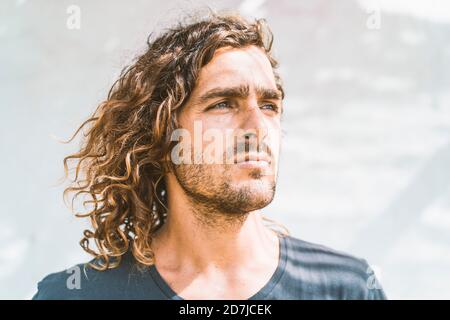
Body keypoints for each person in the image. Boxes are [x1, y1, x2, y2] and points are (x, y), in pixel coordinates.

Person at [33, 11, 387, 300]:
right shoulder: (76, 295)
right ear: (159, 135)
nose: (258, 127)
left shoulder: (346, 288)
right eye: (223, 104)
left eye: (269, 105)